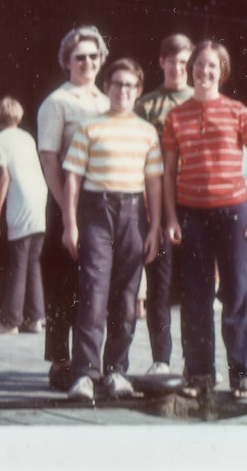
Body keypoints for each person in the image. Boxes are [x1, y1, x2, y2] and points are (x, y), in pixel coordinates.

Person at [162, 40, 247, 401]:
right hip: (190, 214)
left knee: (236, 295)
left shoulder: (238, 111)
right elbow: (167, 174)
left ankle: (243, 374)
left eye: (212, 66)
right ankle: (198, 374)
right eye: (199, 65)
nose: (204, 72)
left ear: (221, 72)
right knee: (195, 296)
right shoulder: (175, 116)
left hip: (233, 214)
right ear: (189, 68)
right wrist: (170, 218)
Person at [62, 58, 163, 402]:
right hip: (96, 210)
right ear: (107, 87)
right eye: (117, 84)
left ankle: (116, 371)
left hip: (134, 214)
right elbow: (73, 177)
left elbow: (153, 182)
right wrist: (70, 224)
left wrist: (155, 227)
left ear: (138, 90)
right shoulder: (89, 128)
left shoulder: (147, 132)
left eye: (130, 85)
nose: (123, 91)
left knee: (127, 295)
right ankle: (84, 375)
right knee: (93, 291)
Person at [37, 25, 110, 391]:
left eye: (94, 57)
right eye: (80, 57)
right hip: (68, 201)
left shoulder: (105, 101)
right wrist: (66, 202)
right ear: (67, 60)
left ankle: (88, 360)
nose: (87, 63)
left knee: (92, 286)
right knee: (63, 283)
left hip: (100, 203)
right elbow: (48, 156)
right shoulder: (57, 102)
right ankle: (60, 361)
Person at [134, 33, 194, 375]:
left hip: (194, 203)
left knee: (194, 286)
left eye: (184, 62)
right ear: (161, 62)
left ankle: (196, 362)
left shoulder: (202, 102)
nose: (177, 68)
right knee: (159, 283)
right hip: (157, 201)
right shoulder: (146, 105)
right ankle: (161, 360)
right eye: (172, 61)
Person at [0, 96, 47, 335]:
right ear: (18, 116)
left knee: (19, 260)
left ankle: (10, 321)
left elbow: (4, 178)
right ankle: (35, 319)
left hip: (23, 199)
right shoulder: (27, 136)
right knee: (32, 260)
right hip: (39, 197)